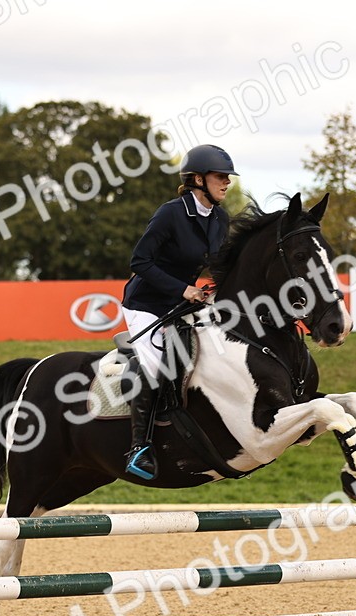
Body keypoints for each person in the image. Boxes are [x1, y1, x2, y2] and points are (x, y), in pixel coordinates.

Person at [120, 143, 236, 480]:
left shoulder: (220, 218)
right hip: (146, 304)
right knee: (156, 365)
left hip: (182, 302)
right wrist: (182, 288)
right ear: (198, 179)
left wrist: (219, 287)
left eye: (227, 177)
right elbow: (139, 262)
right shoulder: (171, 213)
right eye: (220, 177)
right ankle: (138, 449)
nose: (226, 182)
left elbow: (218, 265)